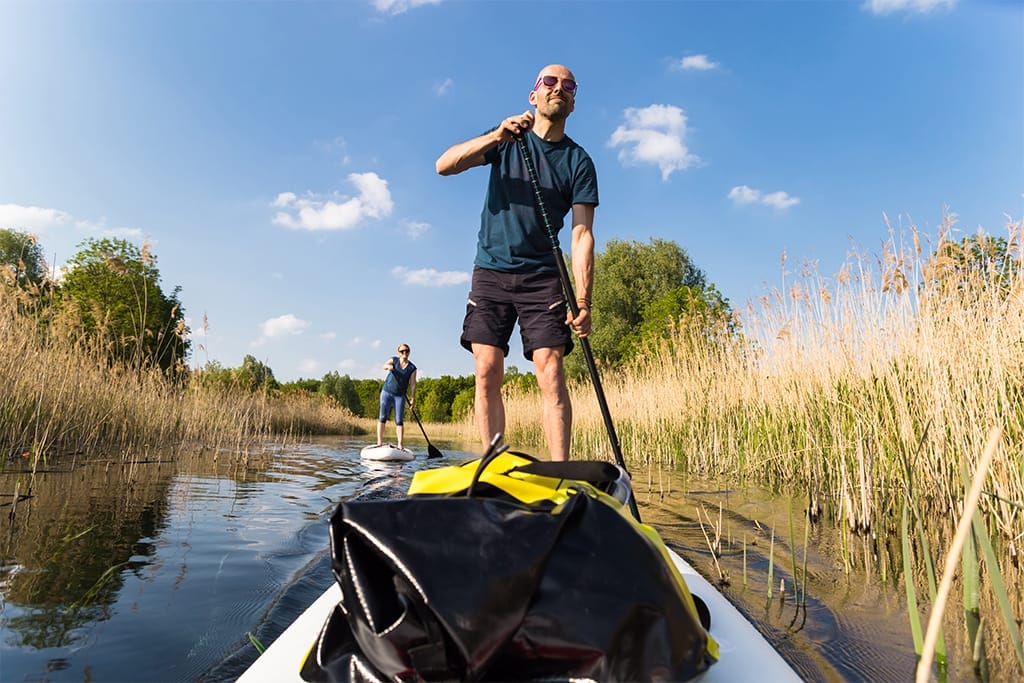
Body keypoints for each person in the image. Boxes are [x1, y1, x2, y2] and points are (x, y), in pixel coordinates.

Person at [435, 64, 598, 462]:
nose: (559, 88)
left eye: (568, 86)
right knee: (487, 367)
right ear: (534, 95)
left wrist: (584, 301)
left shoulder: (578, 161)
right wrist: (495, 135)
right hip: (491, 270)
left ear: (573, 101)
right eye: (550, 82)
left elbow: (581, 234)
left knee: (551, 371)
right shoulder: (508, 139)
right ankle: (493, 461)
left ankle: (561, 473)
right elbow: (444, 165)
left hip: (542, 277)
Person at [376, 343, 417, 450]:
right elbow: (384, 365)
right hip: (387, 392)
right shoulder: (394, 360)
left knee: (399, 420)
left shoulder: (412, 368)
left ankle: (400, 445)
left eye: (407, 351)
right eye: (402, 351)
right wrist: (389, 367)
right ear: (398, 353)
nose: (405, 353)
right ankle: (379, 442)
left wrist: (412, 398)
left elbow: (412, 384)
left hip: (400, 396)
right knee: (382, 417)